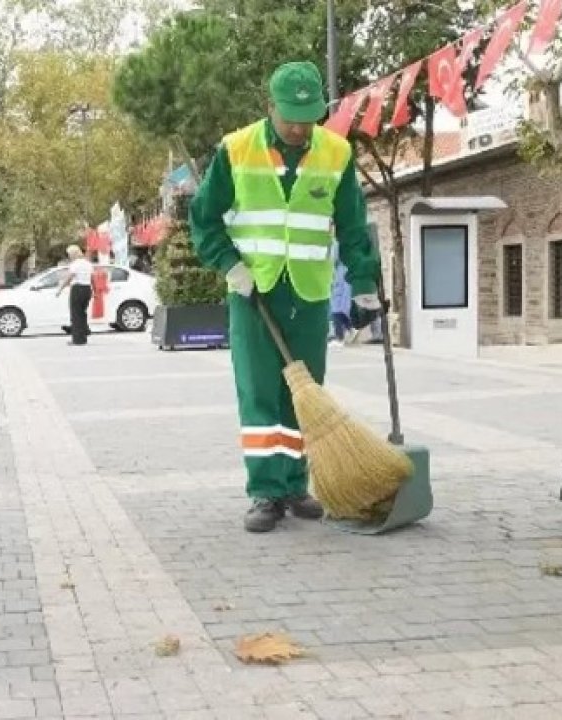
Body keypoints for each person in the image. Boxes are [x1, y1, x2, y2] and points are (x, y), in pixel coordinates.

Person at [189, 61, 382, 533]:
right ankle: (265, 491)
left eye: (308, 117)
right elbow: (204, 218)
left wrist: (364, 283)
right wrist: (229, 265)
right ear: (269, 106)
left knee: (305, 392)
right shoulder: (235, 150)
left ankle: (295, 485)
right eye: (290, 116)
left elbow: (354, 227)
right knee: (260, 393)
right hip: (253, 290)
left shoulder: (335, 153)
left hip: (309, 292)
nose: (299, 127)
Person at [55, 244, 94, 345]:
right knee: (82, 313)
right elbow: (92, 278)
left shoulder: (75, 264)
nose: (69, 257)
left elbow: (69, 277)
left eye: (69, 254)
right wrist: (93, 290)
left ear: (73, 254)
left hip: (77, 289)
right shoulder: (88, 264)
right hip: (87, 289)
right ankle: (83, 337)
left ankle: (77, 339)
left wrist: (60, 289)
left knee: (76, 314)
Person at [329, 251, 352, 345]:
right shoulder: (337, 268)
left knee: (337, 316)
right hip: (336, 299)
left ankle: (339, 338)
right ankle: (346, 333)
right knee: (337, 316)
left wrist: (345, 304)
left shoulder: (343, 268)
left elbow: (346, 287)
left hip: (339, 301)